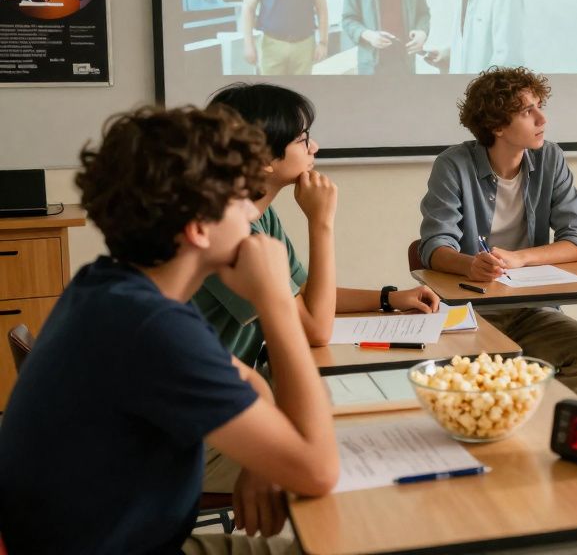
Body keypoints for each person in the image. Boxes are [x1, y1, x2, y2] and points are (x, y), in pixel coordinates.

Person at [0, 105, 338, 554]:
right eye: (240, 198)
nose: (250, 212)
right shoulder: (151, 328)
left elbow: (249, 379)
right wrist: (275, 301)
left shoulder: (110, 286)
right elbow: (319, 471)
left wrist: (262, 459)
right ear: (198, 228)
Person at [197, 82, 437, 493]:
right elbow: (315, 328)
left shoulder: (257, 215)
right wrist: (321, 223)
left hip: (233, 404)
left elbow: (305, 295)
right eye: (302, 139)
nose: (315, 147)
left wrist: (388, 298)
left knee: (367, 424)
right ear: (263, 157)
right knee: (358, 456)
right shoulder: (227, 231)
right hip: (203, 436)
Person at [418, 66, 577, 398]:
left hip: (531, 309)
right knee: (481, 380)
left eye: (540, 106)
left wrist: (519, 259)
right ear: (497, 126)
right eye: (527, 111)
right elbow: (434, 247)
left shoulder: (550, 158)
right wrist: (471, 265)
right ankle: (513, 418)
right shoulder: (453, 165)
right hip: (471, 311)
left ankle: (533, 420)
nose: (542, 119)